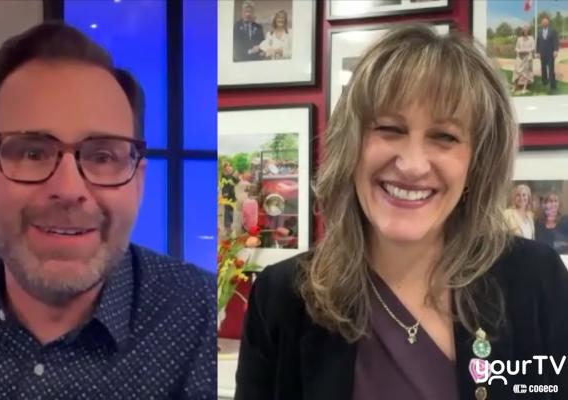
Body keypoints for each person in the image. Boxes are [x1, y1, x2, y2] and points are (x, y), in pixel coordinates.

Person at [0, 22, 215, 399]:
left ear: (138, 183)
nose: (68, 190)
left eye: (102, 156)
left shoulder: (200, 319)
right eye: (33, 153)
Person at [236, 24, 568, 399]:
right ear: (351, 146)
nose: (412, 165)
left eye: (444, 137)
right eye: (390, 128)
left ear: (476, 163)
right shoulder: (282, 298)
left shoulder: (536, 282)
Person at [536, 16, 559, 92]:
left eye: (546, 22)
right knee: (543, 68)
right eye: (543, 22)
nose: (544, 23)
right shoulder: (539, 32)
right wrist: (538, 52)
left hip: (550, 53)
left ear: (548, 23)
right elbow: (538, 43)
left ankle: (553, 85)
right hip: (542, 53)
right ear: (541, 23)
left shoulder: (552, 31)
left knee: (551, 69)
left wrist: (555, 50)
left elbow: (556, 41)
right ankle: (544, 82)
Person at [512, 26, 535, 94]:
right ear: (522, 31)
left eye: (526, 30)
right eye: (524, 30)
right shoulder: (519, 39)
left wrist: (527, 50)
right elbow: (516, 48)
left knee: (526, 72)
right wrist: (519, 51)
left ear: (528, 31)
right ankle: (514, 87)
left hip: (527, 57)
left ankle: (524, 88)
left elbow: (533, 47)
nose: (525, 31)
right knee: (517, 71)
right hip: (520, 57)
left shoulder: (531, 38)